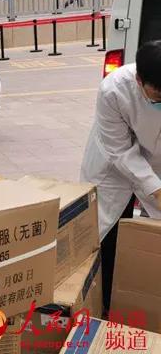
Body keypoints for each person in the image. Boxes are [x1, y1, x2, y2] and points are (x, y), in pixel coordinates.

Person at [81, 40, 161, 316]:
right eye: (157, 95)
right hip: (113, 167)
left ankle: (148, 293)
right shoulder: (114, 90)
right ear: (139, 80)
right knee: (109, 232)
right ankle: (108, 302)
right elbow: (121, 151)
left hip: (157, 159)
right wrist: (155, 189)